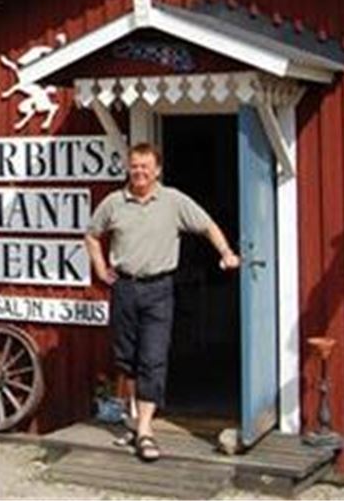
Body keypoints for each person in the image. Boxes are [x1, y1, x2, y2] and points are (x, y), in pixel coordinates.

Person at [84, 142, 240, 462]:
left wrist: (226, 253)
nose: (139, 172)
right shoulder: (114, 203)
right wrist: (100, 268)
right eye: (134, 166)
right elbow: (91, 234)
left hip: (159, 290)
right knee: (126, 358)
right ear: (128, 168)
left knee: (153, 357)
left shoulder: (173, 201)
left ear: (157, 170)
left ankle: (144, 430)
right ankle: (133, 421)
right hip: (125, 288)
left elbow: (207, 225)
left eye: (145, 166)